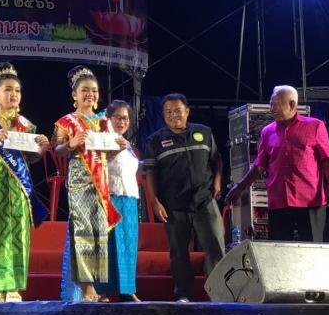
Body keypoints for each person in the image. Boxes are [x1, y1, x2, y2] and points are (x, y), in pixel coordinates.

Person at [0, 62, 49, 302]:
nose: (14, 94)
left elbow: (30, 159)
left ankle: (14, 286)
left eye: (17, 90)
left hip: (19, 186)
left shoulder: (26, 125)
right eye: (8, 90)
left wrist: (41, 150)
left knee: (19, 232)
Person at [226, 85, 329, 242]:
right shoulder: (267, 132)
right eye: (271, 104)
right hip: (279, 200)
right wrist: (239, 187)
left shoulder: (315, 126)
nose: (271, 109)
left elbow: (327, 158)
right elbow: (259, 166)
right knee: (279, 248)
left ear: (292, 104)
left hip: (310, 200)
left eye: (276, 104)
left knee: (312, 248)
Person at [143, 93, 225, 302]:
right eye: (168, 112)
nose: (173, 115)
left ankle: (218, 293)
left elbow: (217, 159)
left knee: (215, 246)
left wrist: (217, 182)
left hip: (204, 200)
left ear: (187, 111)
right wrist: (154, 201)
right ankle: (183, 294)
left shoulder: (204, 132)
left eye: (177, 110)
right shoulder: (155, 141)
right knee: (178, 251)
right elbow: (150, 173)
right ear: (163, 115)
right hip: (173, 204)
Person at [54, 66, 126, 302]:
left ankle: (95, 286)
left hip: (101, 184)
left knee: (99, 235)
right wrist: (72, 143)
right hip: (80, 183)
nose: (90, 94)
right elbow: (58, 150)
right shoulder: (66, 122)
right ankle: (86, 289)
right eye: (85, 90)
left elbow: (107, 154)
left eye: (94, 90)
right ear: (74, 95)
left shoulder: (104, 122)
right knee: (83, 233)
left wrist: (118, 149)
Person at [95, 100, 140, 301]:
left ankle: (127, 289)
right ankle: (102, 290)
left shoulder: (127, 144)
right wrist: (114, 150)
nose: (122, 122)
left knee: (128, 244)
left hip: (129, 198)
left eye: (125, 118)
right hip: (109, 196)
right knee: (108, 244)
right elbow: (96, 163)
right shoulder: (102, 139)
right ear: (109, 119)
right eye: (118, 118)